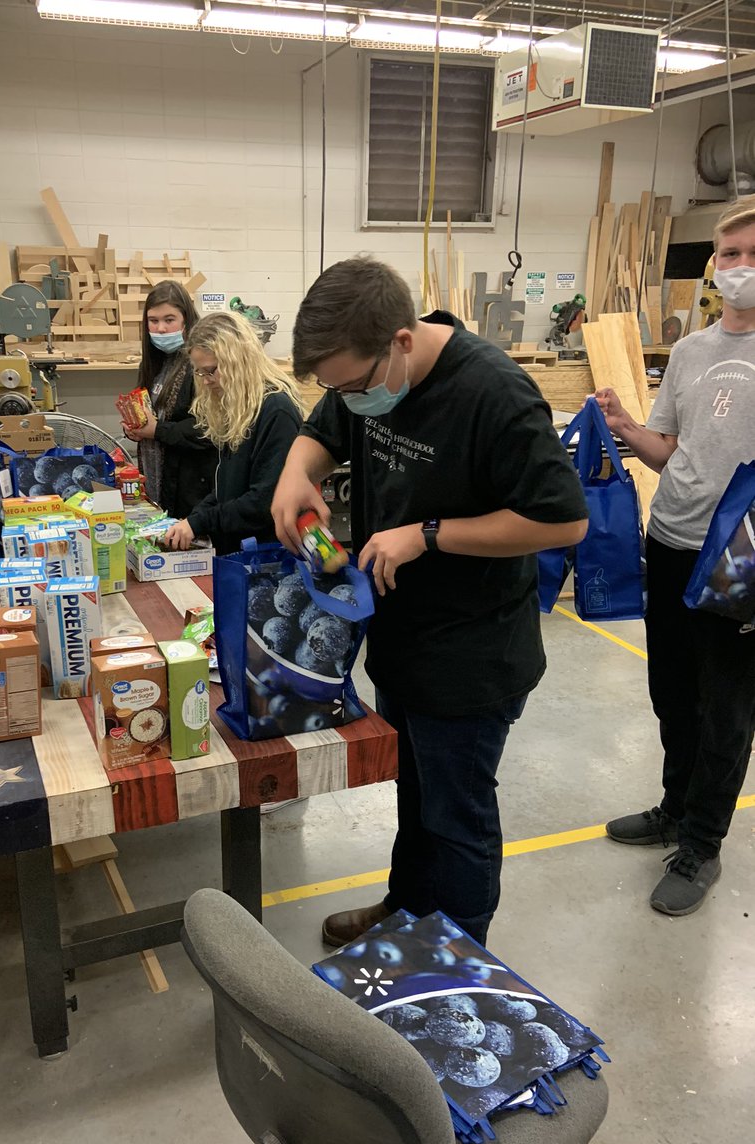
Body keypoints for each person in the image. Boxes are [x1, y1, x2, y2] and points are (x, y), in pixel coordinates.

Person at [272, 256, 588, 947]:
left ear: (402, 342)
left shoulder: (495, 395)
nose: (349, 399)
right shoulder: (366, 375)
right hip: (404, 639)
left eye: (353, 384)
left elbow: (564, 521)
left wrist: (429, 535)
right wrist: (296, 473)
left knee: (458, 817)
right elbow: (323, 430)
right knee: (416, 799)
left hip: (473, 653)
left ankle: (460, 966)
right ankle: (408, 910)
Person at [597, 196, 755, 917]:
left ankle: (701, 843)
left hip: (741, 562)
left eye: (754, 254)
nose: (741, 268)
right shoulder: (691, 351)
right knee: (673, 690)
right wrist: (628, 426)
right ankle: (673, 804)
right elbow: (669, 452)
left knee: (726, 704)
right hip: (671, 540)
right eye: (730, 255)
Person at [163, 311, 304, 557]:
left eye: (211, 371)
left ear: (237, 361)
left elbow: (263, 502)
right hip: (240, 552)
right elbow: (228, 487)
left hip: (268, 556)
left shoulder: (276, 410)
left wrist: (199, 522)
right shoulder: (240, 407)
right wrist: (192, 519)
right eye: (199, 373)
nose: (205, 381)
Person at [122, 280, 218, 518]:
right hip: (157, 478)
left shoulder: (200, 364)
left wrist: (157, 431)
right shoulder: (154, 363)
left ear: (186, 319)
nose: (161, 329)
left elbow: (208, 428)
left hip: (191, 487)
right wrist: (133, 427)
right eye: (153, 321)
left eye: (169, 320)